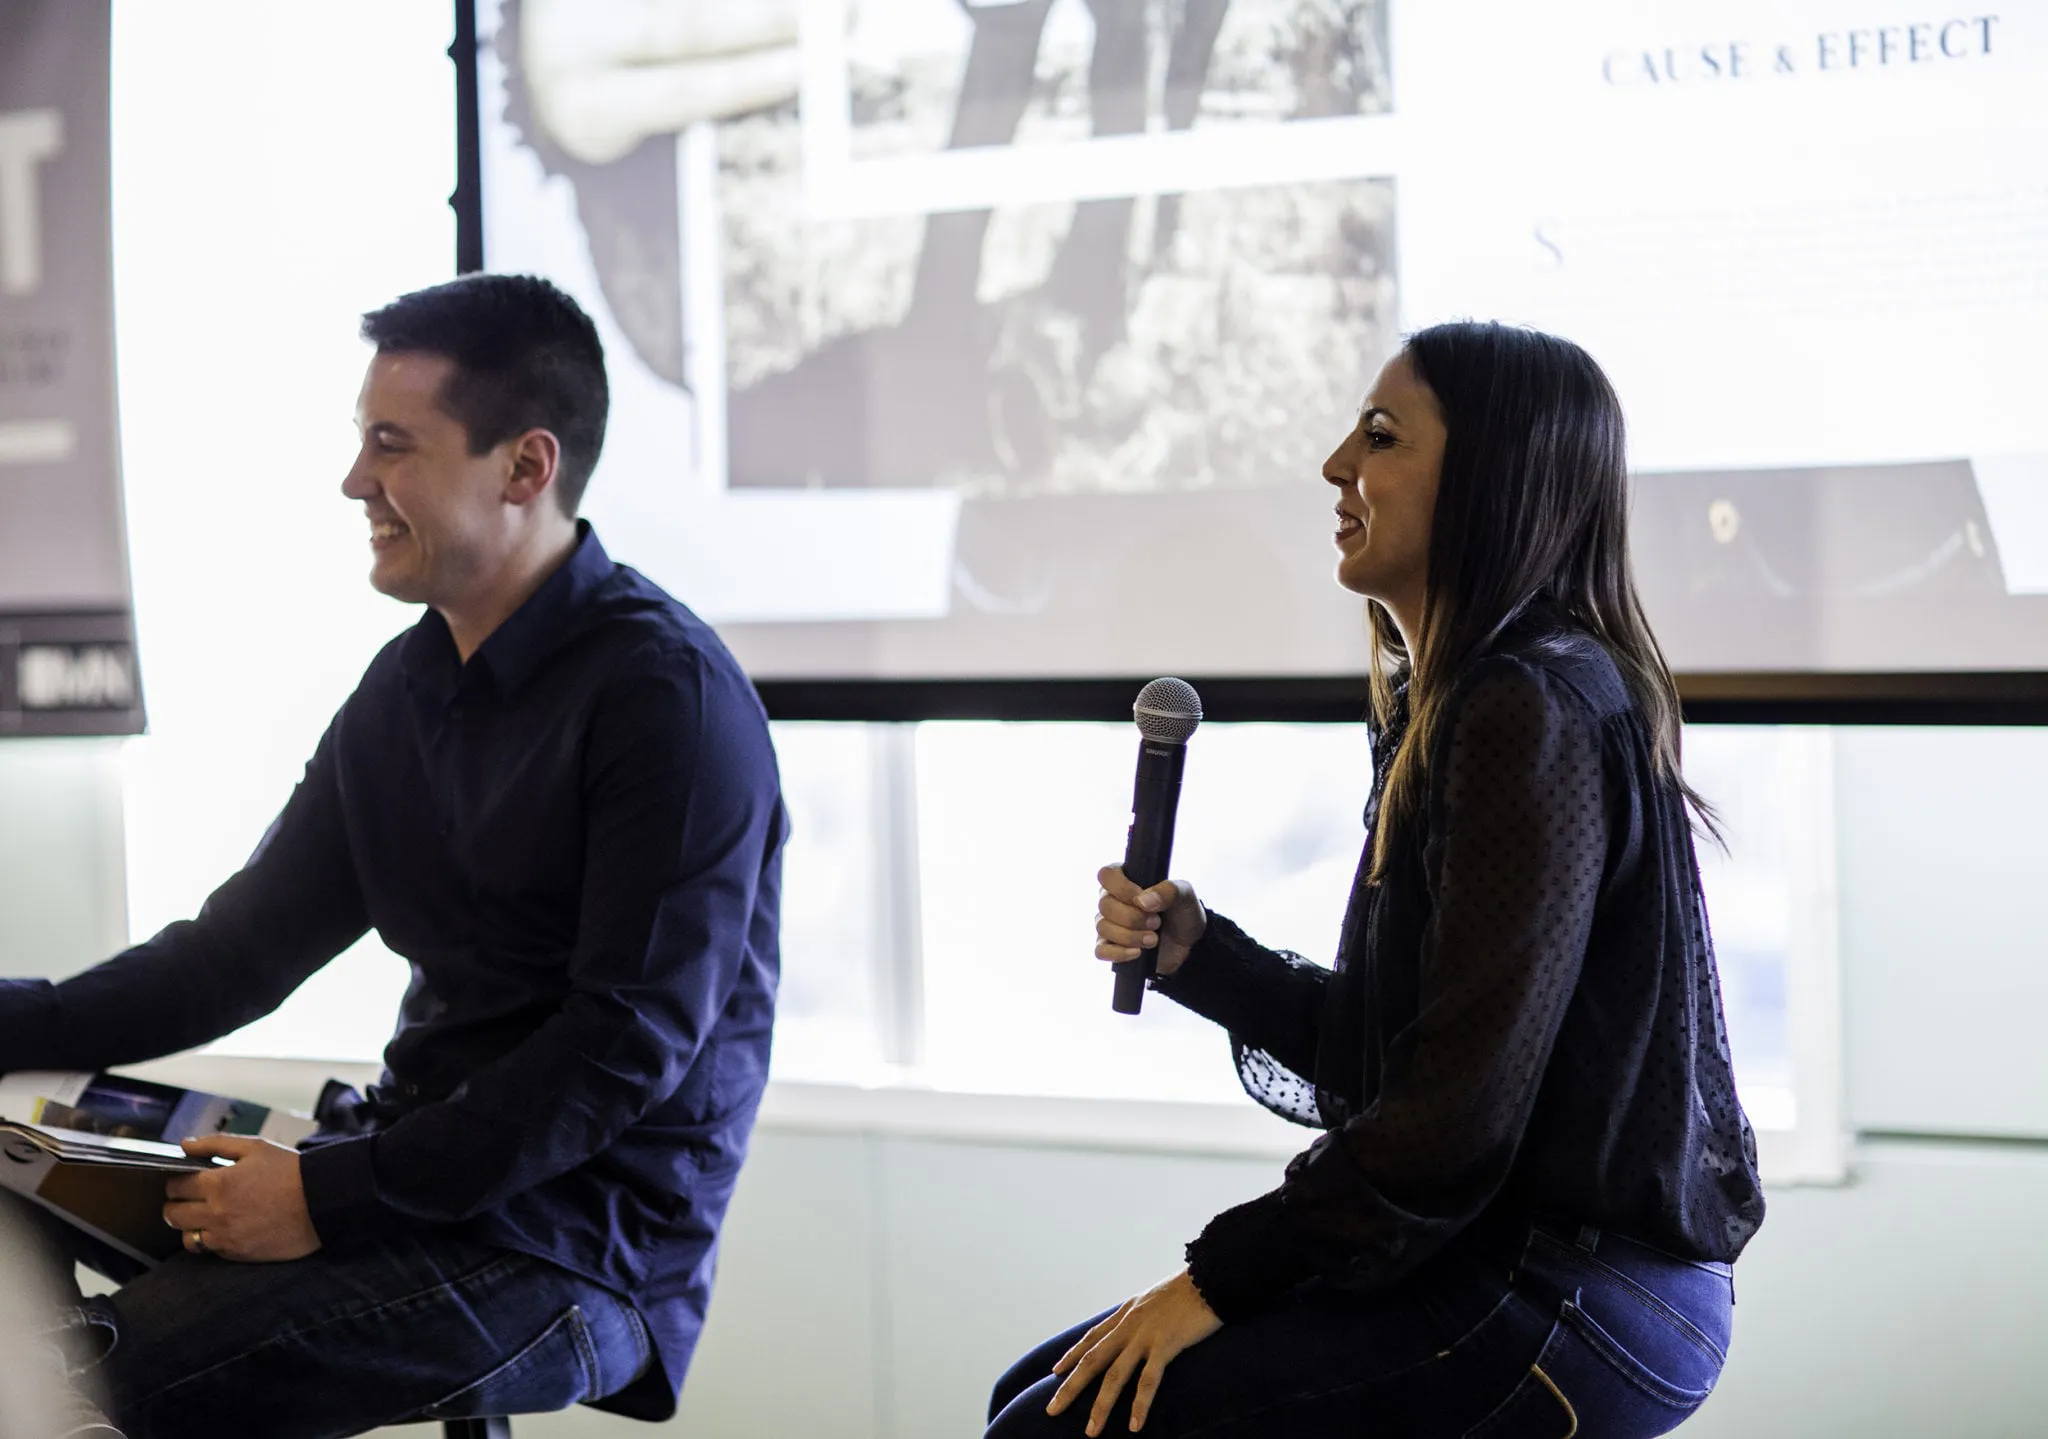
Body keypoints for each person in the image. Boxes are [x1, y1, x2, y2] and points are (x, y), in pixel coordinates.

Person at [0, 273, 787, 1438]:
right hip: (396, 1169)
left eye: (391, 445)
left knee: (69, 1386)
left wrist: (323, 1194)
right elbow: (229, 959)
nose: (355, 482)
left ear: (525, 467)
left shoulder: (664, 697)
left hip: (575, 1243)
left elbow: (621, 1047)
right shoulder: (404, 689)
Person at [986, 321, 1766, 1438]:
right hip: (1519, 1260)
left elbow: (1454, 1116)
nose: (1333, 465)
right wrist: (1197, 957)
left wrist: (1212, 1280)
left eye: (1381, 436)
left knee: (1053, 1426)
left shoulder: (1521, 707)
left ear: (1489, 478)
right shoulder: (1464, 700)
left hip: (1576, 1289)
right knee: (1032, 1395)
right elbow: (1408, 1056)